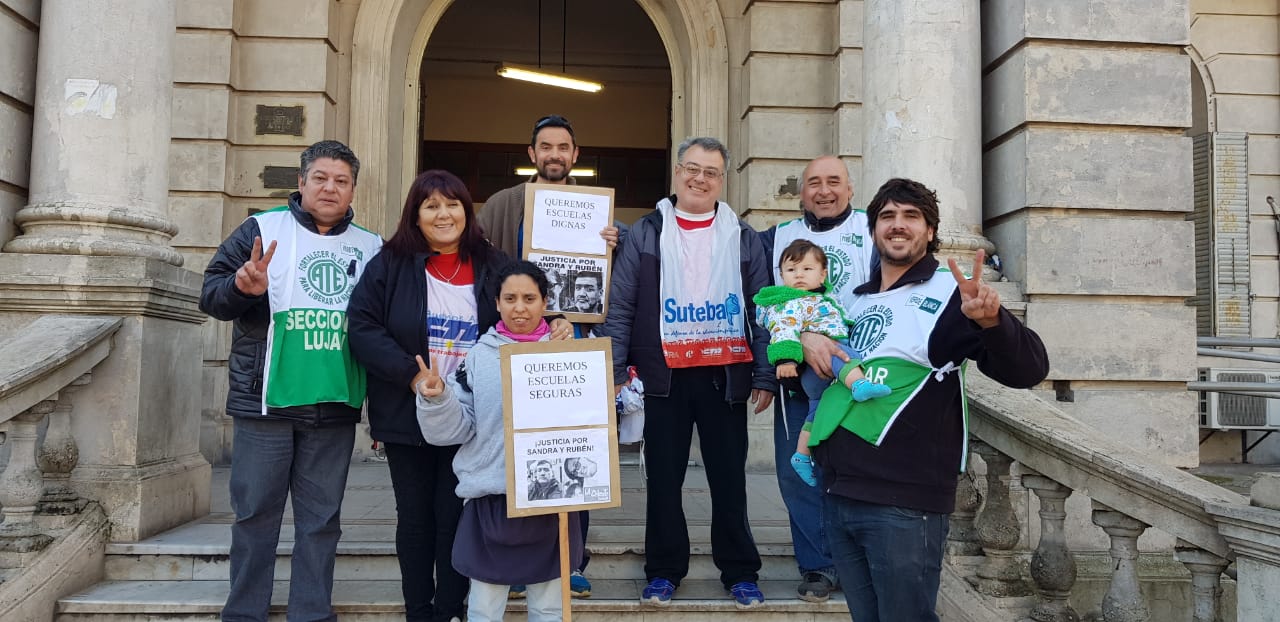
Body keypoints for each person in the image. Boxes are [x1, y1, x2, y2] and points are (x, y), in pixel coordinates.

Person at [809, 178, 1049, 622]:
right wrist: (810, 340)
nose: (898, 225)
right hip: (839, 493)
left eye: (911, 216)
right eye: (887, 216)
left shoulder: (949, 294)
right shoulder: (854, 299)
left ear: (930, 230)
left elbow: (1028, 369)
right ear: (873, 229)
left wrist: (993, 322)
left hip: (904, 502)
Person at [347, 170, 573, 622]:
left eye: (452, 204)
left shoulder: (492, 262)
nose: (443, 214)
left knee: (456, 517)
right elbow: (362, 328)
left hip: (476, 416)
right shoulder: (389, 263)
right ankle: (419, 611)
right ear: (415, 214)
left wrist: (558, 324)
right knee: (415, 519)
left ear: (467, 212)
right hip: (408, 413)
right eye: (431, 205)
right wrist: (412, 377)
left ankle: (451, 609)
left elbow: (521, 308)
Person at [199, 140, 383, 622]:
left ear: (353, 190)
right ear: (301, 183)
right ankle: (244, 613)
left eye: (341, 181)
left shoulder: (371, 247)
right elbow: (211, 295)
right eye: (320, 178)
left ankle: (312, 612)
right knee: (254, 516)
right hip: (265, 403)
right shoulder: (260, 230)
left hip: (335, 404)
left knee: (321, 522)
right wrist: (240, 288)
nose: (330, 188)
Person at [605, 136, 773, 609]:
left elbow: (763, 309)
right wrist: (614, 369)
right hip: (664, 377)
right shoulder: (646, 232)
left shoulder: (743, 236)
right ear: (678, 172)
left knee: (729, 480)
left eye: (711, 172)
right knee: (663, 481)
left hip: (724, 374)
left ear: (723, 180)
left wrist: (763, 374)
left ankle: (740, 572)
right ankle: (663, 571)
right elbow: (622, 304)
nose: (700, 179)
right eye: (692, 169)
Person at [479, 114, 619, 599]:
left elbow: (613, 287)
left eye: (563, 147)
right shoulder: (503, 205)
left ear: (575, 155)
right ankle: (521, 562)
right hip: (517, 351)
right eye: (545, 146)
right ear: (532, 153)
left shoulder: (596, 212)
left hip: (574, 348)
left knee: (576, 452)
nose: (554, 155)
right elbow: (482, 268)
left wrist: (615, 244)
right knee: (525, 454)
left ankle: (571, 561)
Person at [414, 261, 586, 622]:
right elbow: (454, 430)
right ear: (496, 303)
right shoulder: (478, 356)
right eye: (510, 298)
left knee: (549, 606)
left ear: (545, 302)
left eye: (529, 298)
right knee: (484, 606)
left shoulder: (571, 353)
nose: (519, 308)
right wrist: (437, 398)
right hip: (493, 498)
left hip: (551, 498)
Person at [757, 155, 875, 602]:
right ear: (801, 191)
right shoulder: (776, 238)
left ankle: (859, 561)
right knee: (799, 470)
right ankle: (819, 566)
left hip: (855, 368)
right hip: (796, 374)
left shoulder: (871, 229)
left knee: (855, 469)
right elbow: (755, 299)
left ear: (850, 188)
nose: (824, 191)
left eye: (834, 181)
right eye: (814, 183)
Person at [752, 239, 891, 486]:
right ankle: (859, 385)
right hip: (817, 364)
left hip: (818, 380)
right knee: (842, 354)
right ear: (781, 276)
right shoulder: (789, 303)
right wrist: (785, 360)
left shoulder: (822, 297)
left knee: (815, 413)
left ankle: (801, 455)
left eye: (807, 269)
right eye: (791, 270)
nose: (799, 275)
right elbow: (783, 329)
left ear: (823, 274)